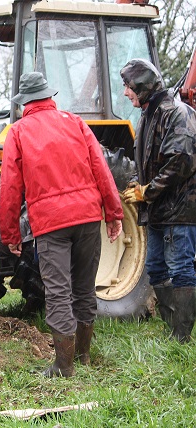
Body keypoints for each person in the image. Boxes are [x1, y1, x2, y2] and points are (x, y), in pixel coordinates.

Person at [0, 72, 123, 377]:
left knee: (58, 293)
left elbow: (10, 187)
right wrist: (114, 213)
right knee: (84, 288)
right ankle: (83, 357)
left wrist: (11, 234)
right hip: (88, 218)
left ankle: (63, 366)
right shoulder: (75, 122)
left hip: (51, 223)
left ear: (24, 103)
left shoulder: (17, 132)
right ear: (49, 97)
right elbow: (101, 168)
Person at [120, 59, 196, 343]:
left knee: (180, 268)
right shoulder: (147, 116)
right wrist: (136, 184)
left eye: (128, 86)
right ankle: (171, 325)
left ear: (142, 85)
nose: (126, 93)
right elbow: (149, 162)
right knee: (155, 268)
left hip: (180, 209)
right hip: (158, 210)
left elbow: (181, 162)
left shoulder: (177, 113)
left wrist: (147, 191)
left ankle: (182, 336)